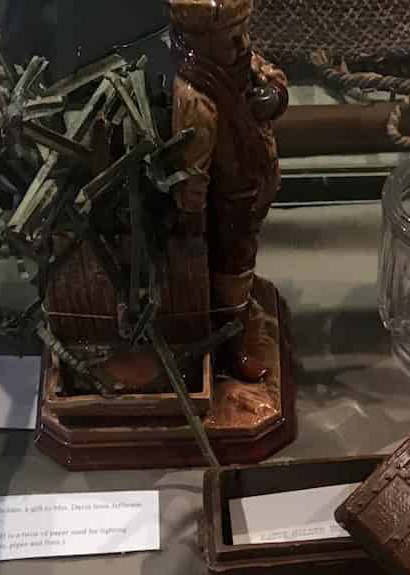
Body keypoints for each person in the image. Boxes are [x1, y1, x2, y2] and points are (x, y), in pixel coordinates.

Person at [168, 0, 289, 383]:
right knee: (230, 271)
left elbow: (273, 76)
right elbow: (193, 169)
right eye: (231, 37)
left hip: (251, 187)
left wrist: (272, 97)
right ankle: (232, 348)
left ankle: (237, 309)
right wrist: (192, 219)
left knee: (241, 267)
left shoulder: (240, 63)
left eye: (242, 34)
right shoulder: (196, 95)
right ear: (203, 41)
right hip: (227, 203)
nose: (242, 44)